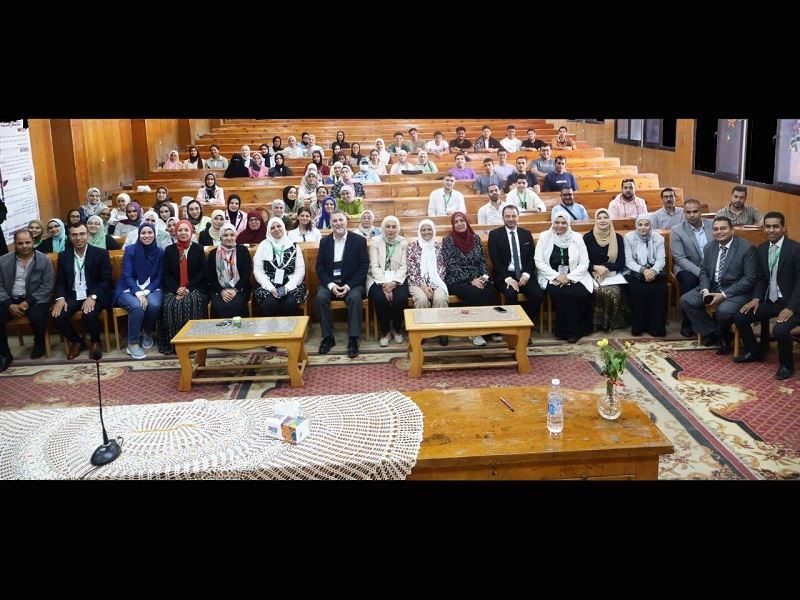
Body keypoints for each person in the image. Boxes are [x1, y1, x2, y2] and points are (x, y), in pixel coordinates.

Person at [733, 212, 800, 380]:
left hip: (794, 303)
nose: (771, 230)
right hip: (771, 300)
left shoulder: (796, 249)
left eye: (775, 226)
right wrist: (756, 298)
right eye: (768, 226)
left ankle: (786, 365)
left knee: (780, 329)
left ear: (784, 228)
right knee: (740, 316)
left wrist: (791, 308)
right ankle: (755, 352)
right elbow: (762, 278)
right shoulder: (762, 248)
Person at [679, 216, 757, 355]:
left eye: (723, 228)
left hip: (736, 290)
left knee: (724, 311)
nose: (719, 232)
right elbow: (704, 271)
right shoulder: (710, 247)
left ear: (732, 230)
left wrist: (724, 295)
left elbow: (749, 279)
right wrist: (705, 290)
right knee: (687, 300)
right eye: (715, 229)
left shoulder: (747, 248)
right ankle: (715, 333)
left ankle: (722, 335)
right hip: (713, 286)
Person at [51, 222, 113, 360]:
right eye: (74, 235)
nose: (78, 238)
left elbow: (106, 280)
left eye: (82, 234)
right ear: (69, 237)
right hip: (72, 295)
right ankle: (78, 341)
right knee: (57, 316)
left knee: (89, 314)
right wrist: (60, 298)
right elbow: (60, 281)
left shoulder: (100, 253)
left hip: (93, 293)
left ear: (88, 235)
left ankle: (96, 341)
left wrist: (93, 296)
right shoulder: (64, 256)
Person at [315, 209, 370, 358]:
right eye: (335, 221)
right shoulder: (324, 242)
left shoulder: (359, 240)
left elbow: (364, 267)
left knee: (355, 298)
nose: (338, 223)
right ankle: (328, 337)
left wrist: (348, 286)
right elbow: (319, 267)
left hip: (352, 284)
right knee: (320, 298)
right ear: (330, 223)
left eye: (341, 220)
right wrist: (331, 285)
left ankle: (353, 339)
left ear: (346, 221)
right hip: (330, 283)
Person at [534, 212, 594, 343]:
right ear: (553, 223)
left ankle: (578, 331)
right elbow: (538, 261)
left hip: (574, 275)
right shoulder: (544, 236)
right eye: (557, 222)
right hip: (551, 277)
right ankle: (564, 332)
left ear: (568, 224)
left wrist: (568, 277)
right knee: (563, 294)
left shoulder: (577, 238)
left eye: (563, 223)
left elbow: (584, 263)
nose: (560, 225)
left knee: (581, 294)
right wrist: (557, 276)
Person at [0, 230, 55, 369]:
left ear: (33, 242)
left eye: (27, 242)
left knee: (38, 317)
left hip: (35, 298)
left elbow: (47, 286)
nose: (24, 246)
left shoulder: (44, 260)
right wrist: (9, 304)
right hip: (10, 298)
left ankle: (39, 343)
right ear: (14, 244)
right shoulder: (3, 261)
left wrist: (28, 302)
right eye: (20, 243)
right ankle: (5, 354)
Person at [488, 205, 544, 341]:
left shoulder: (526, 234)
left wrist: (527, 274)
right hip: (504, 275)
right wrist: (508, 278)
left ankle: (525, 327)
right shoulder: (495, 235)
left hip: (524, 274)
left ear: (518, 217)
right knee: (511, 294)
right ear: (503, 217)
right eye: (508, 216)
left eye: (514, 216)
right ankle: (513, 330)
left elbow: (532, 258)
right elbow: (496, 261)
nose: (511, 219)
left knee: (538, 294)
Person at [441, 212, 496, 346]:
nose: (459, 224)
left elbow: (482, 261)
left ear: (466, 222)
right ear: (453, 225)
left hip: (477, 277)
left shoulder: (475, 238)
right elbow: (451, 265)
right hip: (457, 279)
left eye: (462, 221)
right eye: (456, 222)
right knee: (475, 293)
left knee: (489, 290)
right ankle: (475, 331)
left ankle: (491, 328)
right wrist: (471, 280)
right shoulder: (448, 240)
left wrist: (483, 277)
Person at [112, 222, 164, 359]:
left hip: (151, 287)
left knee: (154, 304)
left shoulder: (160, 252)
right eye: (143, 233)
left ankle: (147, 332)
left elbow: (159, 277)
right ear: (139, 235)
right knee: (137, 306)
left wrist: (146, 292)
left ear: (154, 234)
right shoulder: (131, 250)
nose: (146, 235)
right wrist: (139, 293)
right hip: (128, 288)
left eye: (150, 232)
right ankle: (132, 343)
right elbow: (127, 275)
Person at [158, 220, 208, 355]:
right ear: (176, 232)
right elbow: (166, 274)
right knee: (170, 304)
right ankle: (174, 345)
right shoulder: (169, 250)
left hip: (195, 287)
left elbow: (202, 273)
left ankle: (193, 343)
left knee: (190, 302)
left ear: (191, 232)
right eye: (180, 230)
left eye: (186, 230)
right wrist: (176, 289)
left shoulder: (198, 249)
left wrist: (187, 289)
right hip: (174, 288)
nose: (183, 233)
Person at [671, 198, 714, 337]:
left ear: (701, 211)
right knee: (689, 281)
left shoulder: (713, 225)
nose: (692, 215)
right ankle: (687, 322)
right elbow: (680, 258)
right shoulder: (677, 230)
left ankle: (714, 322)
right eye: (688, 212)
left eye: (695, 211)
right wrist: (700, 272)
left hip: (712, 267)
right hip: (687, 268)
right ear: (684, 213)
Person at [583, 209, 631, 332]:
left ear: (610, 220)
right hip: (591, 274)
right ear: (595, 220)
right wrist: (595, 268)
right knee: (596, 292)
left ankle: (611, 324)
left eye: (605, 217)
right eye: (599, 218)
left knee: (615, 293)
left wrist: (605, 269)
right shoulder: (588, 238)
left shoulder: (617, 238)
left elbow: (621, 262)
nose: (602, 220)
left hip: (612, 275)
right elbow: (582, 261)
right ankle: (595, 324)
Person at [367, 216, 409, 347]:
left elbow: (404, 266)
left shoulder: (403, 242)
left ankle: (396, 329)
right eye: (388, 226)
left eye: (394, 227)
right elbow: (374, 265)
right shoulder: (375, 241)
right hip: (378, 278)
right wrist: (384, 284)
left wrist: (394, 283)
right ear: (383, 227)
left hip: (397, 278)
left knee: (401, 298)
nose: (390, 230)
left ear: (398, 228)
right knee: (380, 299)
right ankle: (385, 332)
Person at [406, 219, 450, 345]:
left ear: (433, 230)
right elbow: (412, 270)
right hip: (417, 283)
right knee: (422, 299)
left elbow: (442, 269)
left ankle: (442, 331)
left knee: (440, 299)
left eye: (429, 229)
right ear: (419, 232)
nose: (427, 232)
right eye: (423, 229)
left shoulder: (439, 247)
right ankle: (421, 331)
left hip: (437, 282)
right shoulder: (412, 247)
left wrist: (432, 285)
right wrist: (424, 287)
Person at [623, 214, 668, 337]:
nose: (643, 227)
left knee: (660, 289)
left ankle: (656, 327)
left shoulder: (658, 238)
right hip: (636, 273)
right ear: (636, 225)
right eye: (640, 224)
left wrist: (652, 271)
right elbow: (628, 261)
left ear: (651, 225)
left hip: (654, 272)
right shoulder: (629, 237)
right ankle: (639, 327)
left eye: (646, 224)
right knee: (637, 289)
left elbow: (661, 260)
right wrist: (643, 270)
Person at [207, 223, 253, 319]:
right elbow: (210, 276)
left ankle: (239, 329)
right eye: (225, 235)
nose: (229, 238)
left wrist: (235, 290)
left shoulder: (243, 251)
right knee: (219, 306)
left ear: (235, 236)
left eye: (232, 235)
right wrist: (222, 291)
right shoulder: (213, 254)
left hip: (240, 288)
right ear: (221, 237)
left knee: (236, 304)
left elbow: (246, 273)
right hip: (219, 289)